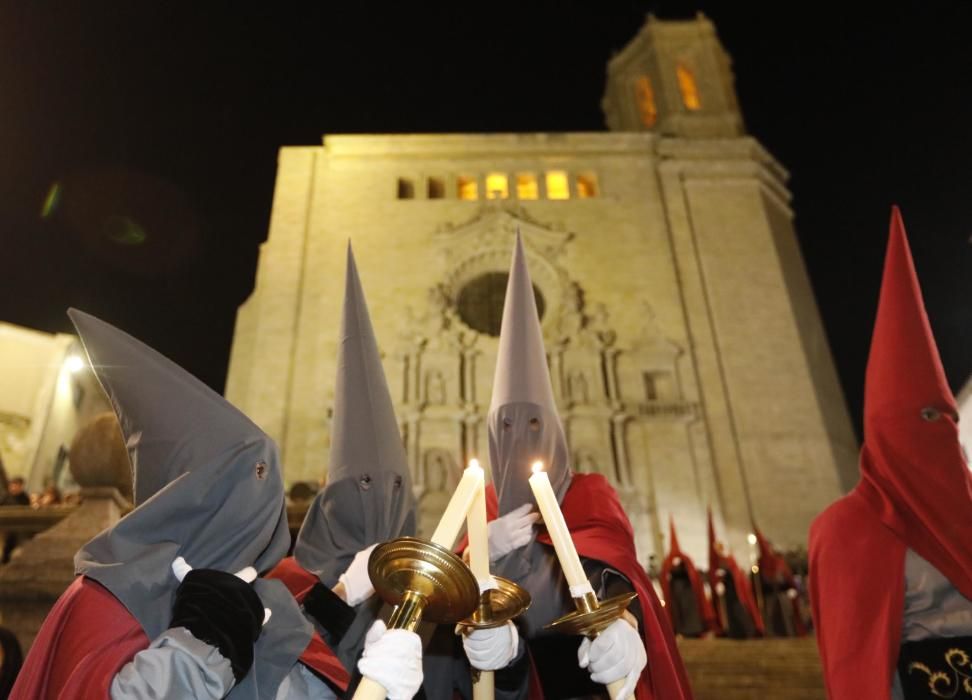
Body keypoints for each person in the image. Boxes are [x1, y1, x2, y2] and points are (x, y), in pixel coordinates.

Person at [11, 309, 408, 700]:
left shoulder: (264, 603)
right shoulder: (104, 601)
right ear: (191, 499)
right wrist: (206, 643)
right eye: (251, 478)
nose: (262, 513)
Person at [460, 232, 694, 700]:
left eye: (532, 422)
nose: (519, 435)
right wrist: (477, 553)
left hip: (584, 672)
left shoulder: (588, 490)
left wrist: (623, 622)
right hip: (512, 676)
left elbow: (613, 561)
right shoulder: (478, 503)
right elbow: (454, 599)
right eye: (505, 426)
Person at [809, 207, 972, 700]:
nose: (939, 432)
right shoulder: (847, 528)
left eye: (945, 417)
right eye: (924, 418)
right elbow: (854, 657)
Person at [268, 245, 425, 700]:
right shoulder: (284, 584)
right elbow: (270, 672)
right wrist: (338, 597)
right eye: (364, 484)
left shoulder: (424, 594)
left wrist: (501, 652)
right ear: (330, 492)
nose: (380, 499)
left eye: (395, 486)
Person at [706, 509, 763, 639]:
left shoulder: (729, 560)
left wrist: (724, 574)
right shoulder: (721, 561)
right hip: (728, 594)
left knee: (739, 612)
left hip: (735, 593)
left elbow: (733, 574)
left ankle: (746, 632)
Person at [660, 516, 716, 638]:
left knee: (690, 613)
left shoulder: (686, 560)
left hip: (687, 593)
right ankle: (683, 630)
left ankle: (694, 630)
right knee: (680, 613)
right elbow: (664, 576)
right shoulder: (668, 562)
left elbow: (693, 575)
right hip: (676, 593)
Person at [752, 526, 806, 637]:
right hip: (769, 596)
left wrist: (789, 588)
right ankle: (772, 635)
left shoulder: (779, 562)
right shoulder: (759, 565)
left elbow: (787, 578)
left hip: (782, 594)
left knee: (786, 615)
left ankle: (789, 633)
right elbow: (757, 584)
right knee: (770, 616)